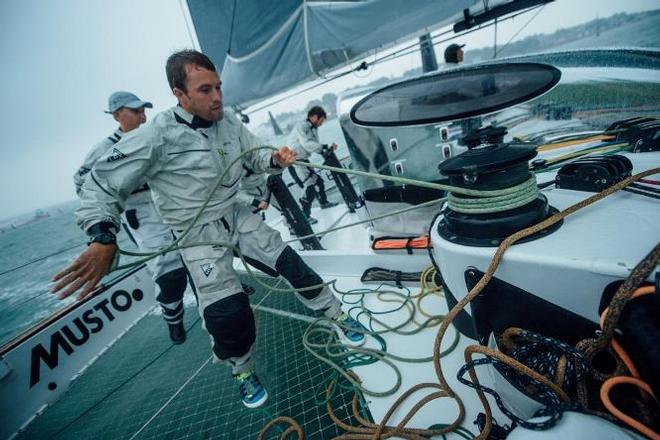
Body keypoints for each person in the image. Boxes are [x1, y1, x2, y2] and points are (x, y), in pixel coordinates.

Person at [52, 50, 365, 409]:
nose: (217, 97)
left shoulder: (227, 121)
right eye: (205, 90)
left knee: (292, 264)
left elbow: (252, 155)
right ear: (179, 94)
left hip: (234, 213)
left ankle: (337, 314)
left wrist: (274, 160)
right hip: (197, 234)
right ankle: (242, 370)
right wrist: (102, 236)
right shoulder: (154, 135)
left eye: (218, 87)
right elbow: (98, 184)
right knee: (228, 313)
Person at [73, 91, 189, 345]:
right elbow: (82, 183)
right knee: (171, 275)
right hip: (142, 215)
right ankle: (173, 318)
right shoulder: (104, 149)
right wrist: (123, 189)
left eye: (143, 111)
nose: (143, 116)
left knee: (200, 253)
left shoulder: (152, 138)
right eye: (136, 112)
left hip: (172, 204)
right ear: (117, 115)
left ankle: (217, 298)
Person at [290, 106, 338, 224]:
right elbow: (307, 144)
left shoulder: (312, 128)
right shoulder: (302, 127)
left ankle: (323, 203)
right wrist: (324, 148)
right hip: (297, 161)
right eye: (321, 121)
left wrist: (324, 149)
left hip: (304, 160)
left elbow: (314, 144)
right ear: (315, 117)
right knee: (310, 187)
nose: (321, 124)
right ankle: (304, 216)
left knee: (319, 181)